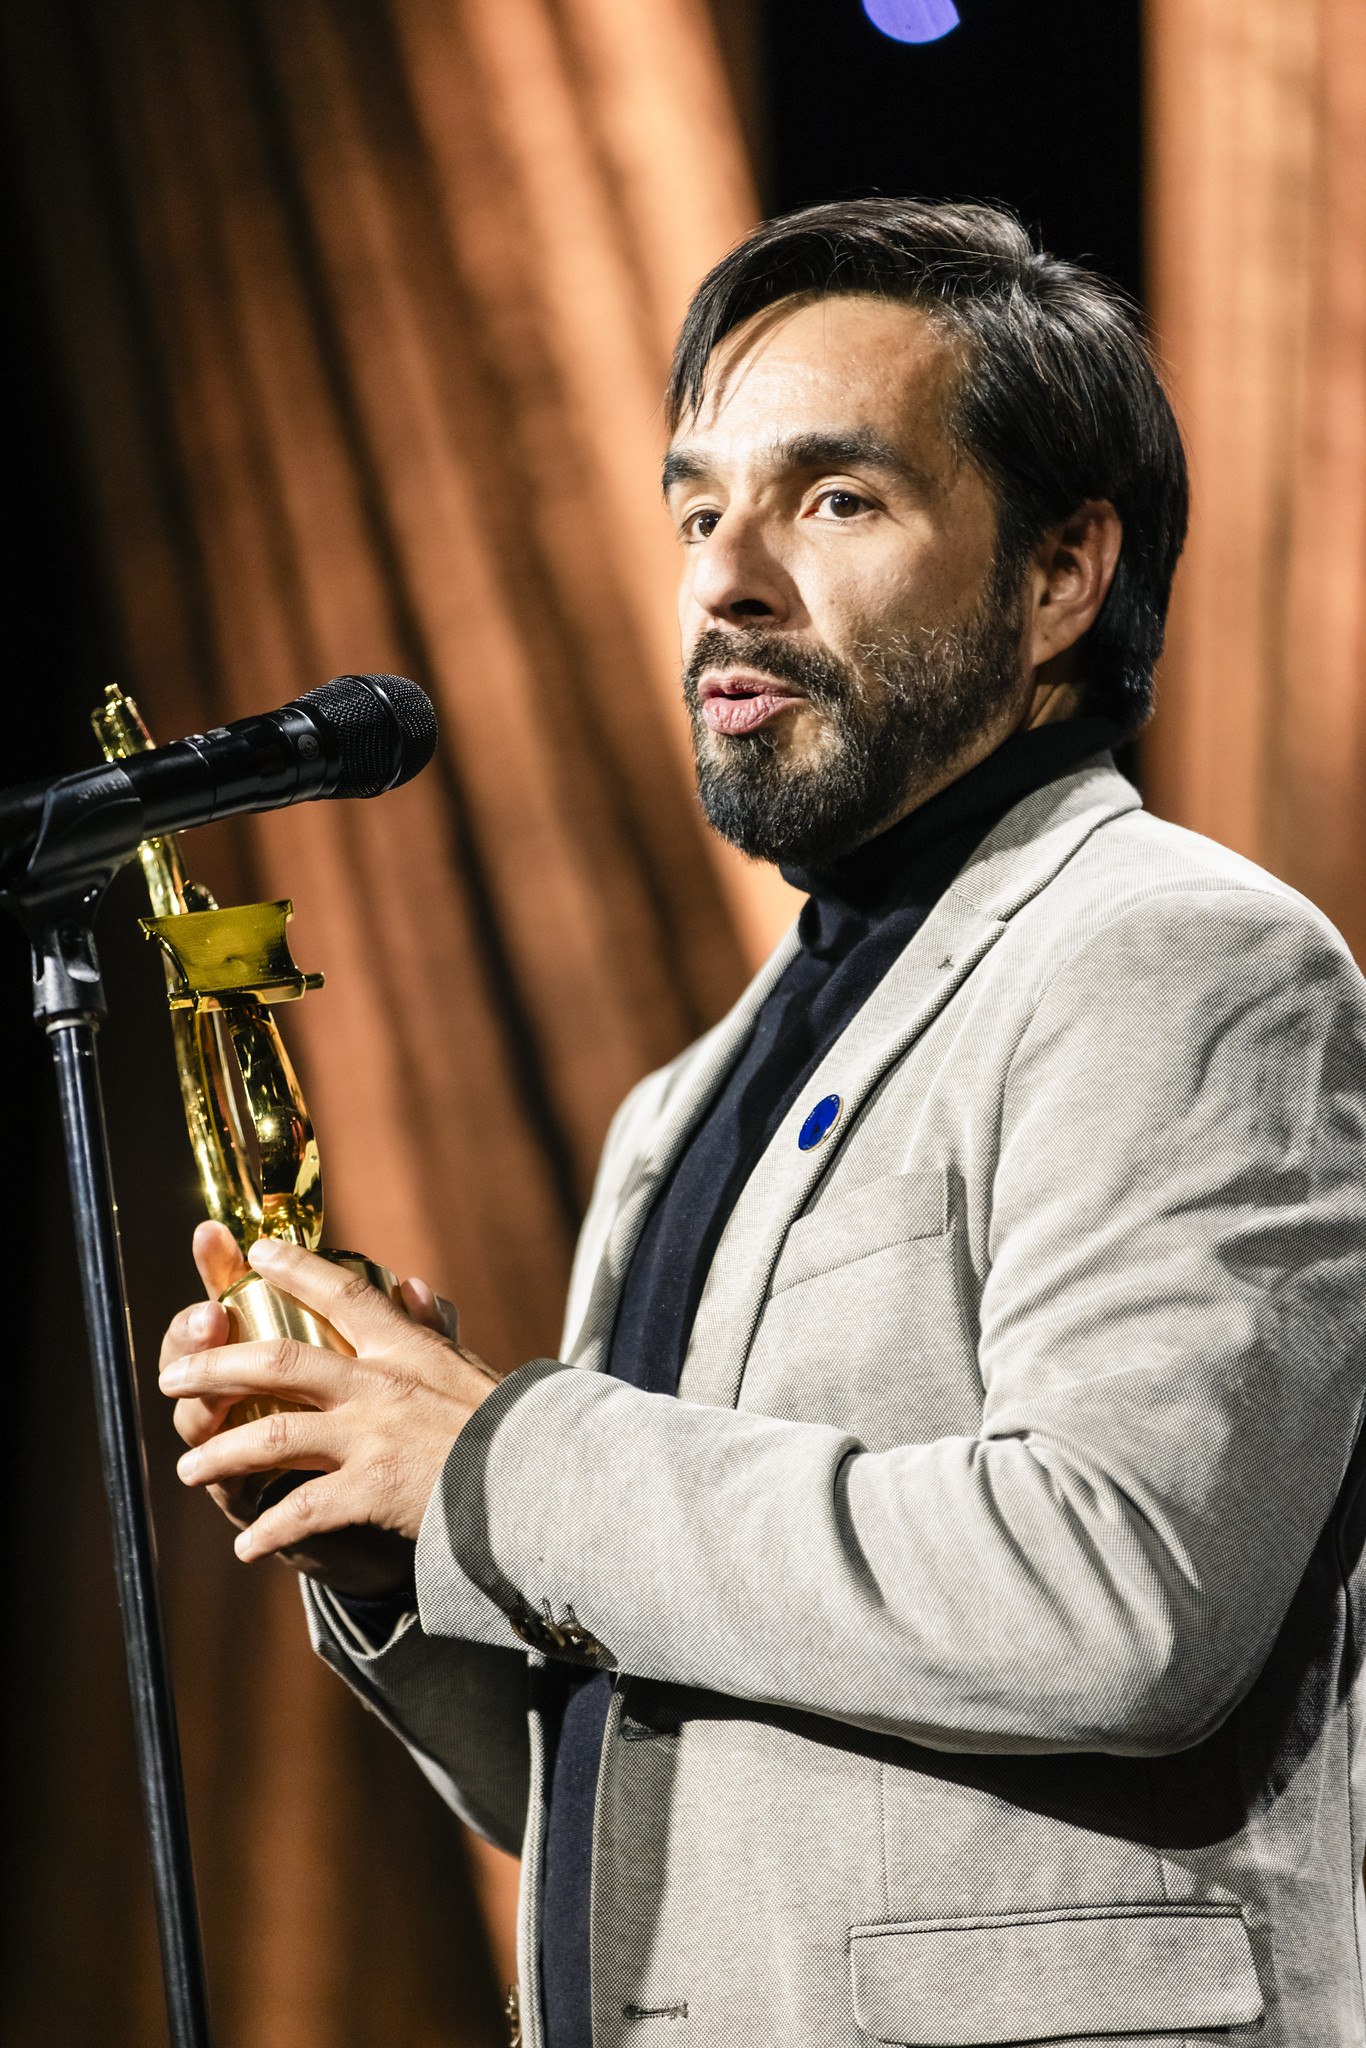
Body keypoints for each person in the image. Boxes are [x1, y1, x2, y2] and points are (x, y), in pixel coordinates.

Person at [158, 200, 1366, 2048]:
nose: (724, 578)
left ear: (1060, 573)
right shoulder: (685, 1098)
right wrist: (403, 1540)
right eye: (696, 511)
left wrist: (497, 1462)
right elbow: (645, 1793)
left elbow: (1121, 1595)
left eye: (833, 500)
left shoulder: (1183, 959)